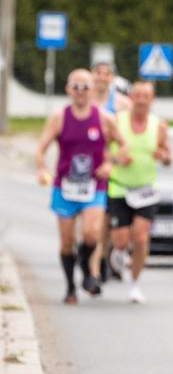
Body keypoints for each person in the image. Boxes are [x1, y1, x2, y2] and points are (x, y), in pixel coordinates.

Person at [34, 69, 127, 304]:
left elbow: (123, 145)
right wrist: (42, 169)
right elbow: (40, 149)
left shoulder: (105, 117)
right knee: (66, 242)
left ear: (92, 90)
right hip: (65, 186)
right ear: (68, 90)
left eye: (85, 87)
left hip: (94, 185)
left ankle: (87, 270)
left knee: (90, 232)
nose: (81, 92)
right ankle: (69, 287)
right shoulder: (59, 117)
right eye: (76, 86)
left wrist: (111, 164)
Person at [107, 81, 172, 304]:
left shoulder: (159, 126)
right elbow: (104, 152)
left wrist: (163, 156)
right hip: (119, 187)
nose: (142, 100)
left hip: (146, 189)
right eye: (138, 95)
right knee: (122, 241)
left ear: (152, 100)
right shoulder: (117, 121)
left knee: (141, 237)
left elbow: (168, 156)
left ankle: (134, 284)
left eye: (146, 96)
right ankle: (118, 251)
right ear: (131, 98)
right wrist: (116, 159)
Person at [91, 61, 132, 283]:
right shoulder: (85, 101)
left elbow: (132, 131)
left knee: (107, 221)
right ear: (92, 75)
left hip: (113, 167)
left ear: (113, 77)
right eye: (98, 72)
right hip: (90, 166)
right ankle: (94, 267)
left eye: (107, 74)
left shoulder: (122, 104)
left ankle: (102, 260)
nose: (102, 77)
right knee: (94, 221)